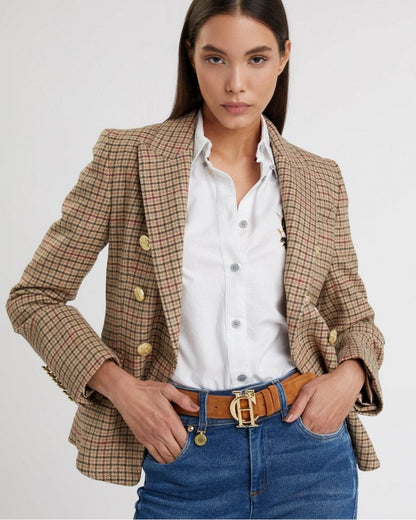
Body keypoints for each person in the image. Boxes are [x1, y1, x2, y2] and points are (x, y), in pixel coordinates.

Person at [6, 0, 384, 518]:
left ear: (284, 57)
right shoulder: (128, 158)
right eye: (215, 58)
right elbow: (35, 297)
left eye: (256, 59)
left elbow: (355, 317)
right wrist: (122, 389)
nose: (235, 84)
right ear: (191, 56)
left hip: (308, 455)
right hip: (186, 453)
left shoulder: (318, 179)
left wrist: (349, 377)